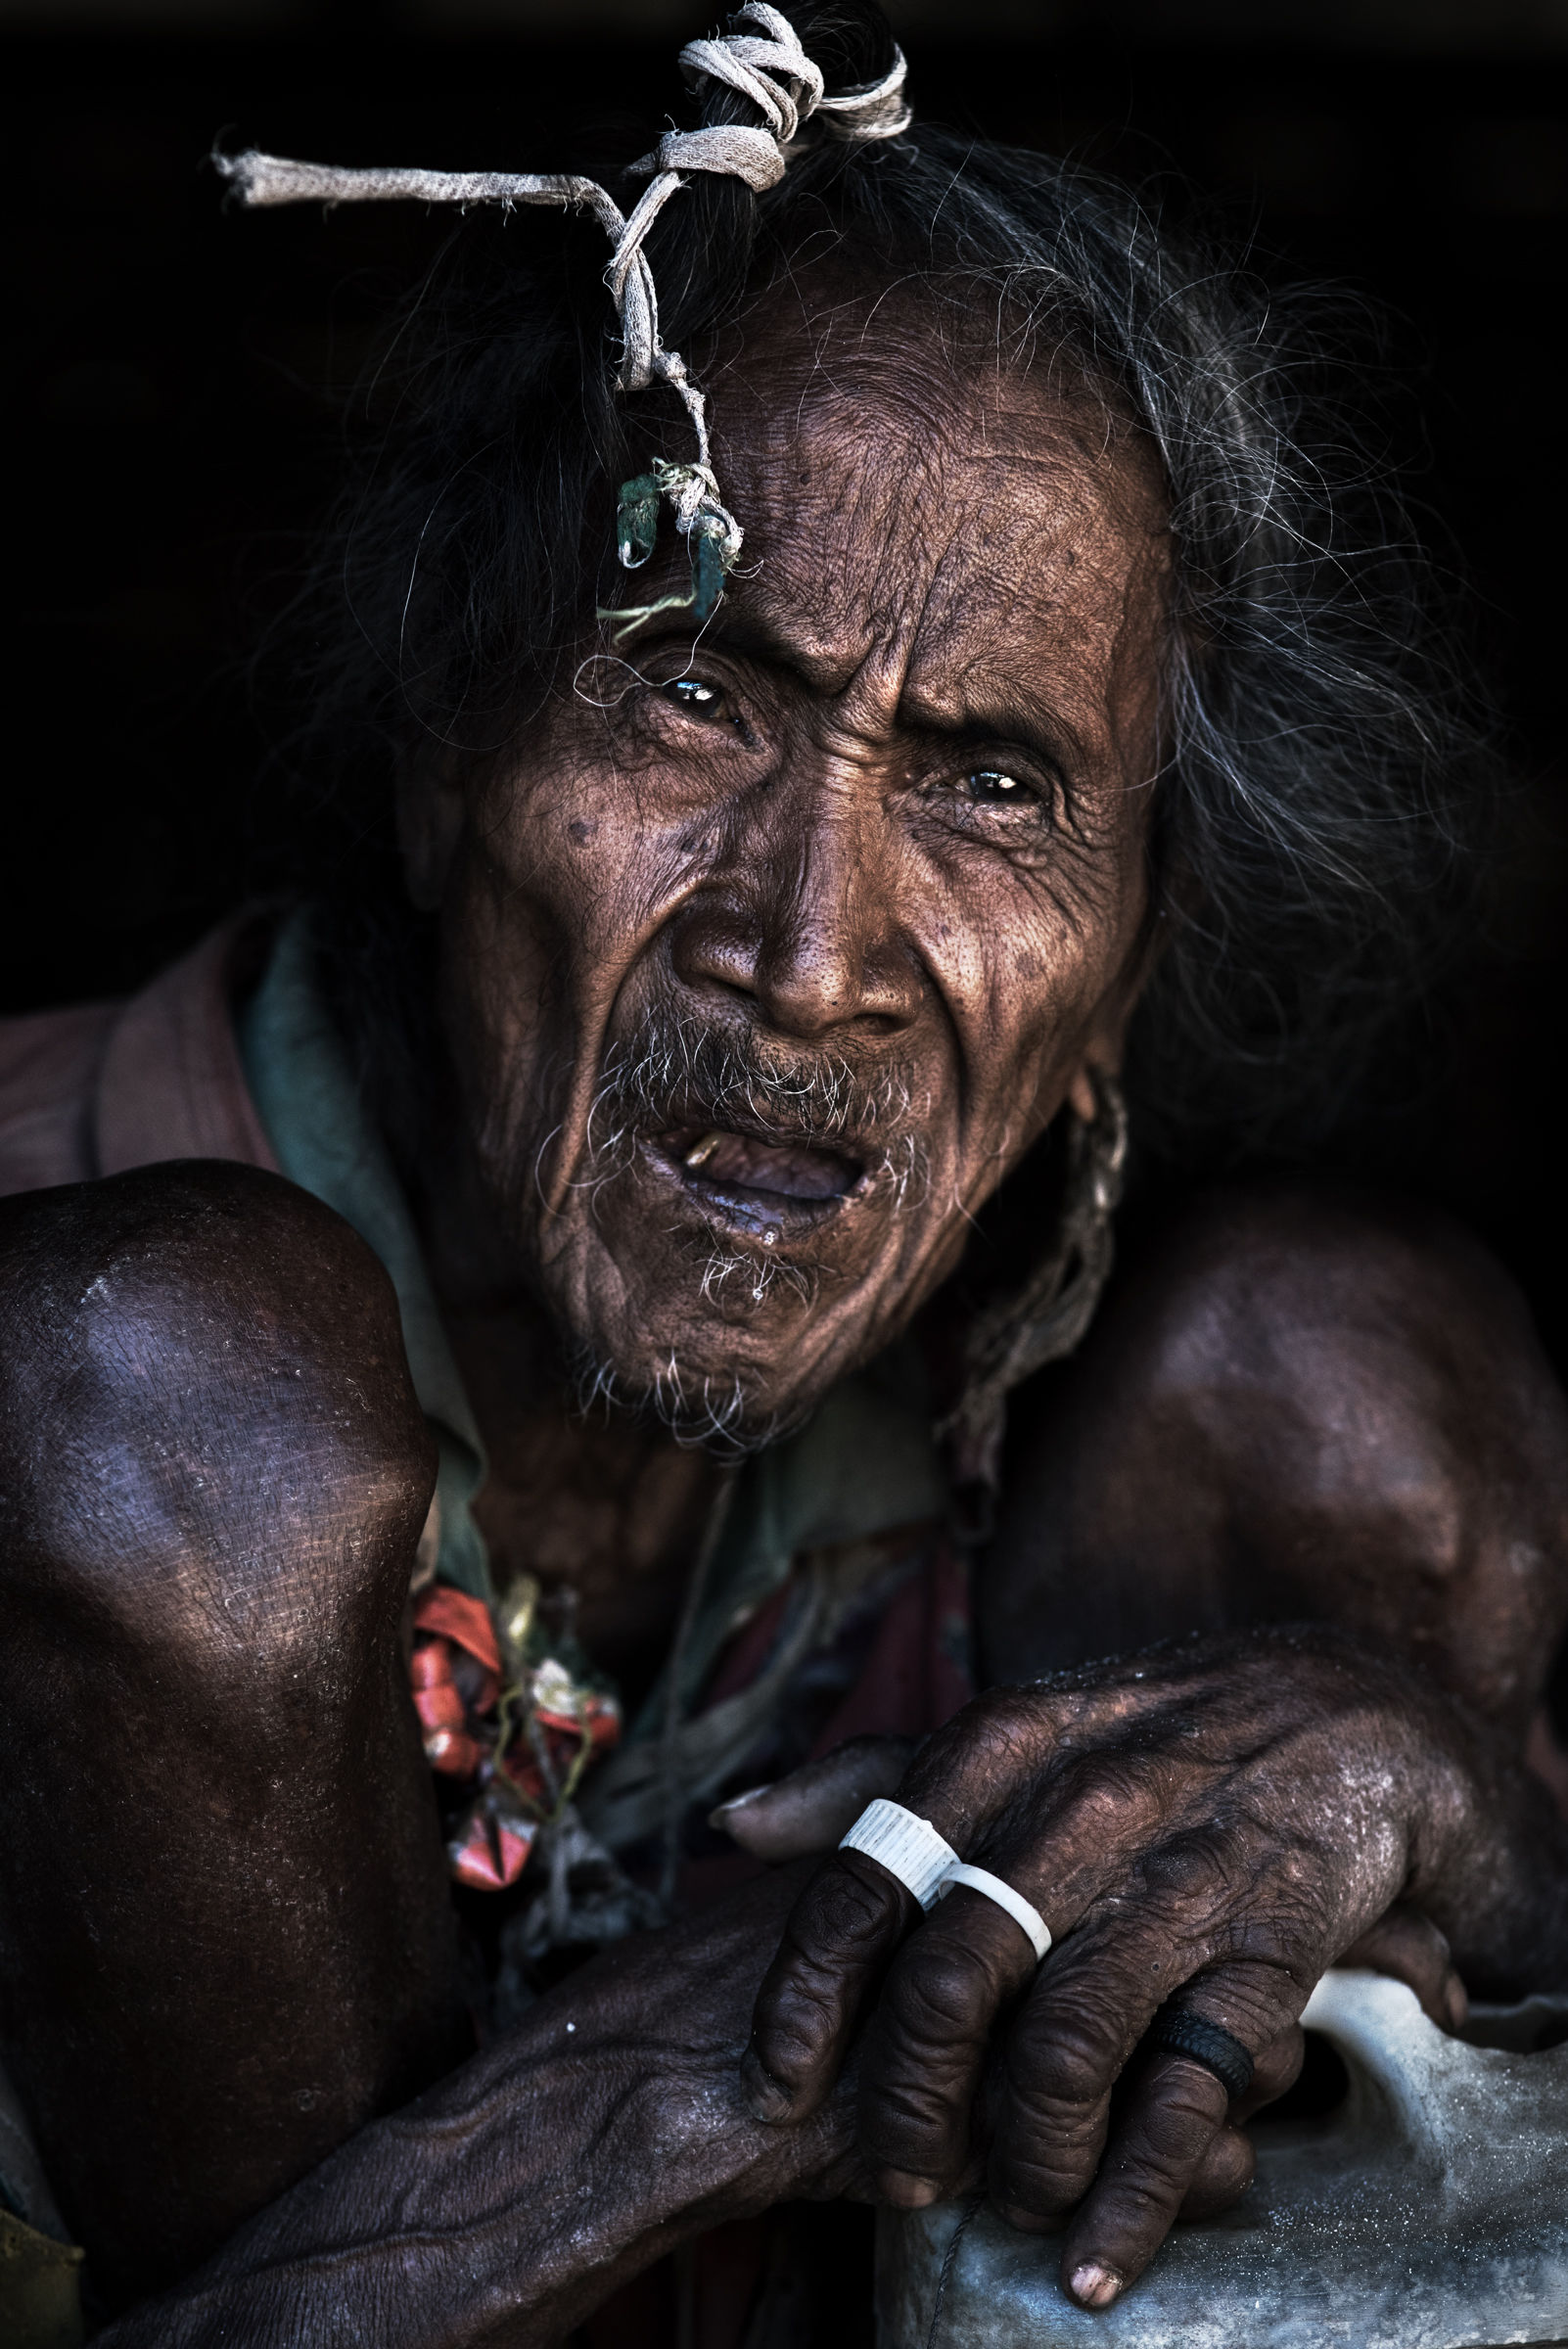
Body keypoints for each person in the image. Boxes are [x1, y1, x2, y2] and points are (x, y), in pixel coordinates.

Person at [2, 6, 1566, 2342]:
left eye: (997, 785)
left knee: (1345, 1375)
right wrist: (700, 2072)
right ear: (448, 753)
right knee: (157, 1403)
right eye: (693, 688)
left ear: (1135, 952)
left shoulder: (1186, 1435)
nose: (809, 951)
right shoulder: (91, 1337)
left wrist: (1459, 1805)